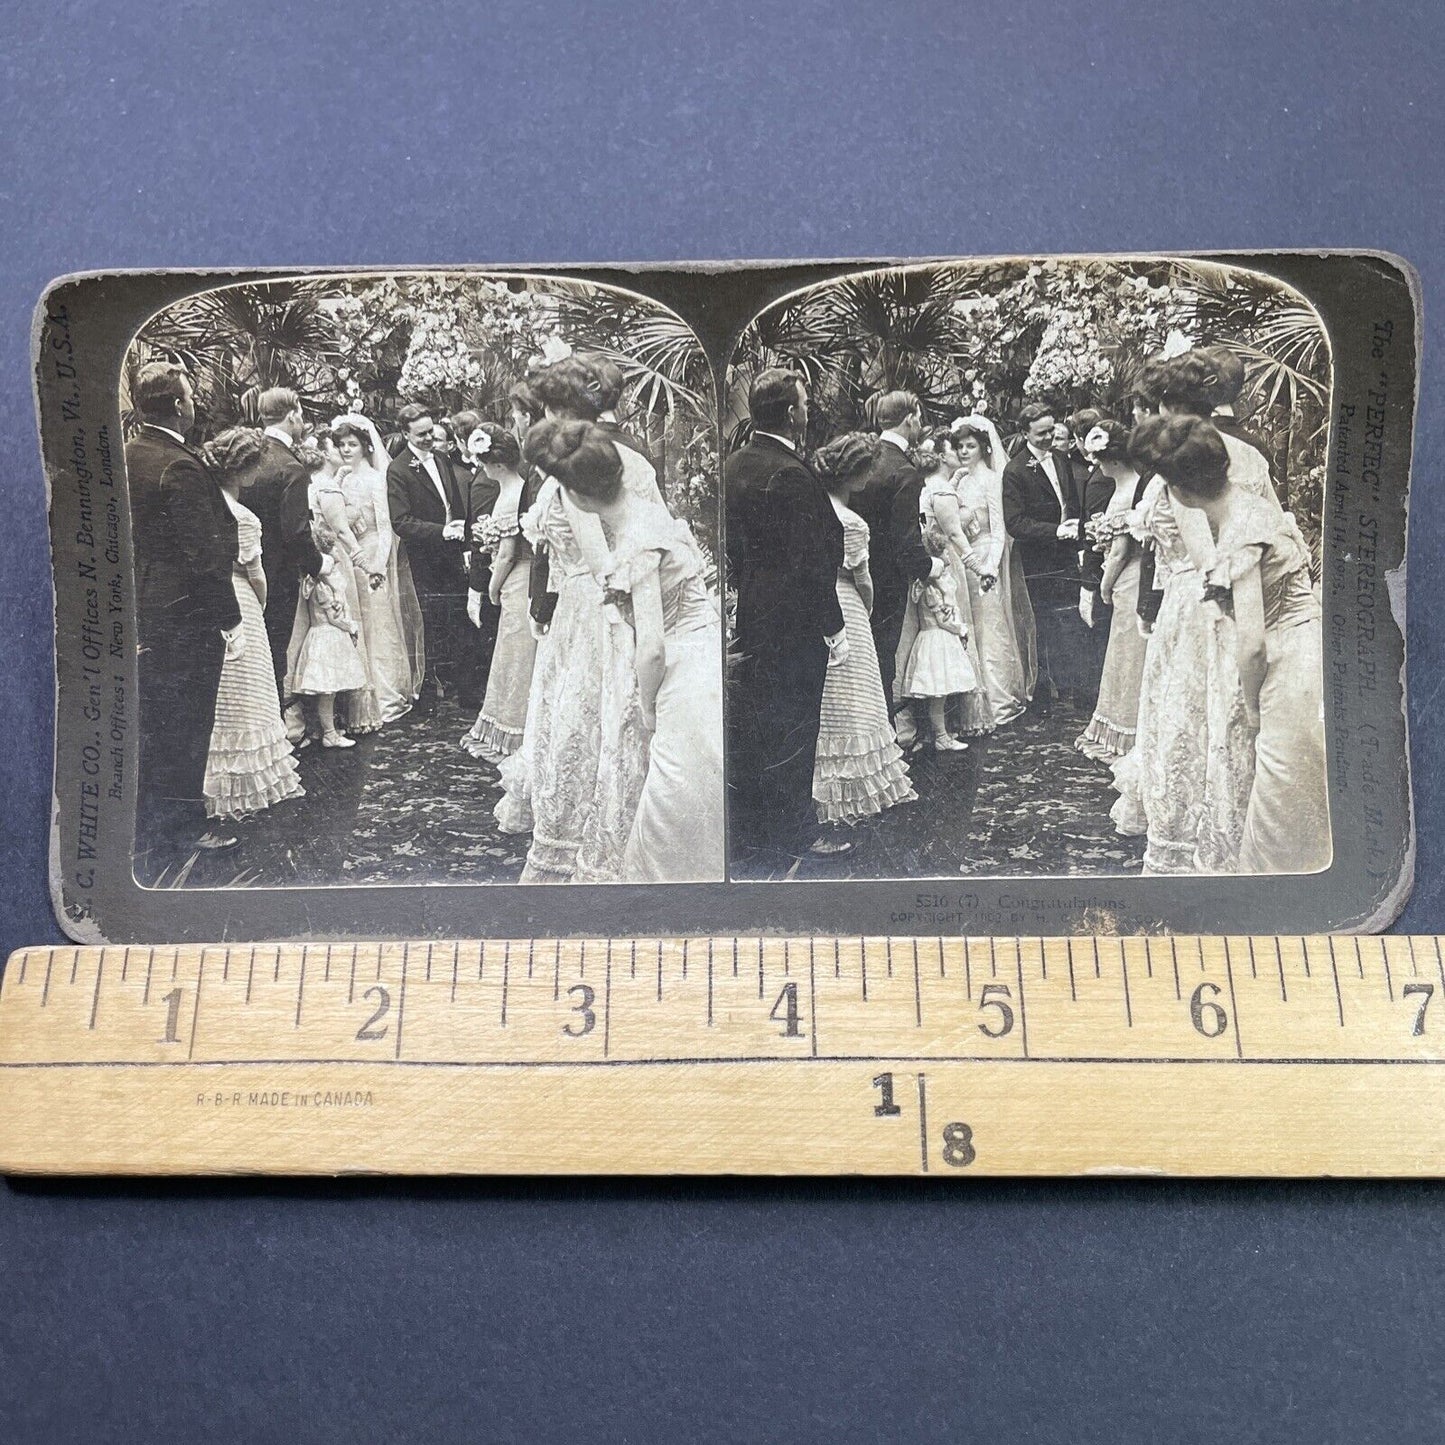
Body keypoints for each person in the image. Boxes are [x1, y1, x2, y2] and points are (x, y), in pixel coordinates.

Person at [1109, 352, 1285, 873]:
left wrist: (1151, 604)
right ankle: (1228, 836)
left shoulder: (1175, 464)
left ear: (1168, 406)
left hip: (1192, 604)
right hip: (1238, 595)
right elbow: (1267, 537)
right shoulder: (1246, 455)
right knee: (1224, 718)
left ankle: (1185, 838)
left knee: (1188, 717)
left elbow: (1180, 550)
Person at [528, 418, 724, 883]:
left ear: (576, 496)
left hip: (682, 673)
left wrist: (649, 707)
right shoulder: (652, 514)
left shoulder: (635, 540)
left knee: (671, 813)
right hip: (703, 654)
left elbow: (652, 647)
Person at [1133, 415, 1328, 872]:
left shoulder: (1240, 532)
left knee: (1280, 809)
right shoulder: (1254, 506)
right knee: (1298, 797)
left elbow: (1253, 643)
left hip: (1288, 668)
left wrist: (1253, 705)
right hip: (1307, 651)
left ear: (1179, 492)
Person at [496, 358, 666, 882]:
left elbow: (640, 550)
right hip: (570, 611)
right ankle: (559, 823)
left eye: (548, 408)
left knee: (602, 722)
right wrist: (545, 602)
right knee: (565, 722)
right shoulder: (557, 468)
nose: (539, 418)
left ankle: (596, 838)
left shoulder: (622, 465)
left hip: (606, 611)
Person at [724, 368, 848, 873]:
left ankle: (759, 826)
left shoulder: (735, 463)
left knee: (760, 722)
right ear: (793, 413)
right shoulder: (789, 473)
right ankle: (797, 832)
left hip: (755, 610)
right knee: (795, 725)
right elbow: (811, 560)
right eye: (805, 403)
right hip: (793, 622)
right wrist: (832, 624)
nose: (808, 410)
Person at [127, 363, 242, 863]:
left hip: (148, 606)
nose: (195, 403)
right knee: (187, 722)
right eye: (191, 395)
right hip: (186, 617)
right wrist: (229, 617)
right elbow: (205, 554)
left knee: (157, 720)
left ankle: (151, 822)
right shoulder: (179, 465)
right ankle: (182, 829)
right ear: (178, 405)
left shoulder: (131, 453)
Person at [808, 432, 916, 828]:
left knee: (828, 698)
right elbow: (864, 580)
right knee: (858, 695)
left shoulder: (814, 511)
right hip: (847, 605)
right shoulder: (852, 522)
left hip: (816, 604)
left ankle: (823, 782)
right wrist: (865, 611)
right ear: (855, 476)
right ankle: (857, 786)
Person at [199, 428, 305, 820]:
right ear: (245, 471)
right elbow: (256, 573)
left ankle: (215, 781)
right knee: (251, 692)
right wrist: (259, 604)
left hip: (211, 601)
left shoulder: (206, 505)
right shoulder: (242, 517)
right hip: (241, 598)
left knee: (224, 696)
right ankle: (247, 785)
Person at [853, 390, 942, 742]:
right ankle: (883, 736)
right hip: (886, 579)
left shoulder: (868, 457)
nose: (919, 424)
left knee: (865, 653)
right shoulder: (903, 470)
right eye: (918, 418)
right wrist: (931, 567)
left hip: (854, 571)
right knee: (882, 654)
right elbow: (906, 542)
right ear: (910, 419)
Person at [246, 387, 326, 741]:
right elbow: (296, 533)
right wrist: (319, 566)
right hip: (277, 574)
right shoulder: (291, 467)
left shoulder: (250, 454)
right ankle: (274, 734)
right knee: (274, 650)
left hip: (245, 568)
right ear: (292, 415)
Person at [332, 414, 423, 721]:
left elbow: (387, 529)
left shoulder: (375, 479)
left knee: (378, 624)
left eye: (352, 444)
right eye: (342, 444)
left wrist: (378, 565)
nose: (346, 450)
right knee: (354, 622)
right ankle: (356, 700)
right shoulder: (341, 479)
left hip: (371, 553)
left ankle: (384, 696)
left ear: (366, 446)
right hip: (348, 557)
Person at [949, 416, 1037, 726]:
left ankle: (998, 702)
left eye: (970, 446)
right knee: (969, 628)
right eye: (959, 446)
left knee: (990, 627)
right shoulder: (958, 480)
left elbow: (1000, 529)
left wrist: (991, 567)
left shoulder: (991, 479)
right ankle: (971, 706)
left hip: (986, 555)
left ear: (985, 447)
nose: (964, 452)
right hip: (964, 559)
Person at [386, 401, 473, 715]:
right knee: (430, 623)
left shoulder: (441, 458)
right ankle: (429, 693)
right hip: (424, 559)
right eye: (420, 435)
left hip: (452, 554)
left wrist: (462, 537)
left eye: (430, 433)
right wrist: (441, 532)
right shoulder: (398, 469)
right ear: (405, 433)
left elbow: (454, 504)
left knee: (460, 618)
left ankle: (463, 689)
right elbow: (401, 521)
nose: (427, 439)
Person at [1074, 420, 1153, 763]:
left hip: (1128, 578)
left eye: (1100, 459)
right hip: (1130, 577)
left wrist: (1103, 587)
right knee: (1125, 653)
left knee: (1128, 654)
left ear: (1115, 460)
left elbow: (1121, 552)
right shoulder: (1129, 484)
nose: (1097, 466)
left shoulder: (1127, 491)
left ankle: (1126, 728)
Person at [284, 444, 372, 748]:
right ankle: (329, 727)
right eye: (336, 446)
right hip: (327, 562)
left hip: (316, 562)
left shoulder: (317, 486)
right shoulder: (327, 488)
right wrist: (361, 560)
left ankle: (319, 725)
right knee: (328, 676)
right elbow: (343, 532)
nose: (340, 449)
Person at [461, 424, 538, 762]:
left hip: (516, 579)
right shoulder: (516, 487)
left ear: (498, 465)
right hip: (519, 579)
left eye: (484, 463)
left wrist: (491, 588)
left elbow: (507, 554)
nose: (481, 469)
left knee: (516, 655)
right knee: (513, 653)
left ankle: (513, 729)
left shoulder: (509, 494)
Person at [1002, 401, 1085, 712]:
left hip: (1066, 555)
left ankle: (1072, 688)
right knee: (1044, 624)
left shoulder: (1061, 459)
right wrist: (1056, 531)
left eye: (1052, 431)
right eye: (1041, 434)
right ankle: (1045, 692)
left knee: (1071, 620)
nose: (1049, 438)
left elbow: (1071, 502)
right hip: (1038, 560)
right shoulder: (1015, 471)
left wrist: (1075, 532)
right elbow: (1015, 523)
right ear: (1025, 433)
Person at [905, 440, 992, 738]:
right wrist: (981, 568)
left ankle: (945, 722)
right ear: (943, 456)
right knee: (951, 628)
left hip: (939, 559)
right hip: (946, 562)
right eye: (954, 448)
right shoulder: (939, 490)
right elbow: (955, 533)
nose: (961, 452)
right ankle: (958, 721)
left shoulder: (936, 485)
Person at [897, 518, 979, 752]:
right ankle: (940, 736)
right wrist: (960, 629)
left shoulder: (938, 579)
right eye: (944, 552)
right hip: (937, 639)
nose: (948, 556)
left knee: (940, 695)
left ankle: (939, 732)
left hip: (941, 638)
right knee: (938, 693)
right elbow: (942, 617)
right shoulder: (930, 584)